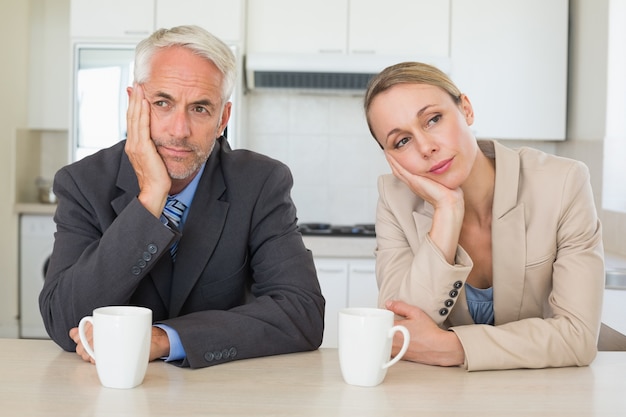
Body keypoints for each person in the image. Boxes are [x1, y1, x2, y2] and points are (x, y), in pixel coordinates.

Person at [39, 25, 325, 369]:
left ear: (223, 119)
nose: (179, 130)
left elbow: (302, 312)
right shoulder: (83, 182)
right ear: (134, 103)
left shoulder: (260, 182)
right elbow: (64, 319)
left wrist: (163, 338)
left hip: (224, 392)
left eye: (200, 109)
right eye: (163, 103)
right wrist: (149, 199)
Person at [363, 62, 604, 371]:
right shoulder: (395, 199)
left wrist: (455, 348)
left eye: (433, 119)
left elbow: (577, 337)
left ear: (466, 109)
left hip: (543, 395)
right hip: (441, 397)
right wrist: (447, 211)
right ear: (391, 157)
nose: (426, 147)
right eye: (402, 141)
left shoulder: (562, 182)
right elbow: (401, 331)